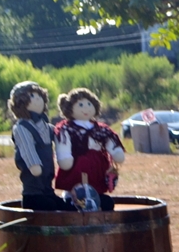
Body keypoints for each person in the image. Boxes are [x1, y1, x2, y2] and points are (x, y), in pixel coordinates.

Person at [53, 88, 125, 212]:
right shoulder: (67, 128)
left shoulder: (101, 128)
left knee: (104, 199)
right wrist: (64, 157)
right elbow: (63, 142)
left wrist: (116, 152)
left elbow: (110, 141)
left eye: (89, 104)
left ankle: (96, 199)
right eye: (80, 105)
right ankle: (71, 198)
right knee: (74, 190)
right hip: (76, 165)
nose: (86, 108)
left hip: (97, 166)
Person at [9, 81, 74, 212]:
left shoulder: (45, 126)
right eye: (33, 96)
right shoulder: (22, 127)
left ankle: (48, 193)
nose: (38, 99)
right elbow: (27, 149)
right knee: (44, 200)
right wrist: (34, 165)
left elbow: (59, 136)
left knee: (61, 205)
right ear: (21, 102)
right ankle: (33, 198)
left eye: (40, 96)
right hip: (32, 186)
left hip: (47, 181)